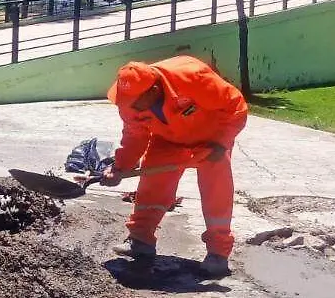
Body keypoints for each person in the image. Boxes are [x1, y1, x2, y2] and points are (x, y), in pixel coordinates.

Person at [100, 54, 249, 278]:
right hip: (167, 139)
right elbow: (134, 135)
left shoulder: (192, 76)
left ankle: (218, 254)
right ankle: (140, 240)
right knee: (152, 187)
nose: (131, 109)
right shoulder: (130, 100)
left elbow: (235, 106)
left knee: (216, 192)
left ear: (153, 91)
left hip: (210, 139)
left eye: (135, 104)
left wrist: (221, 142)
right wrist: (120, 167)